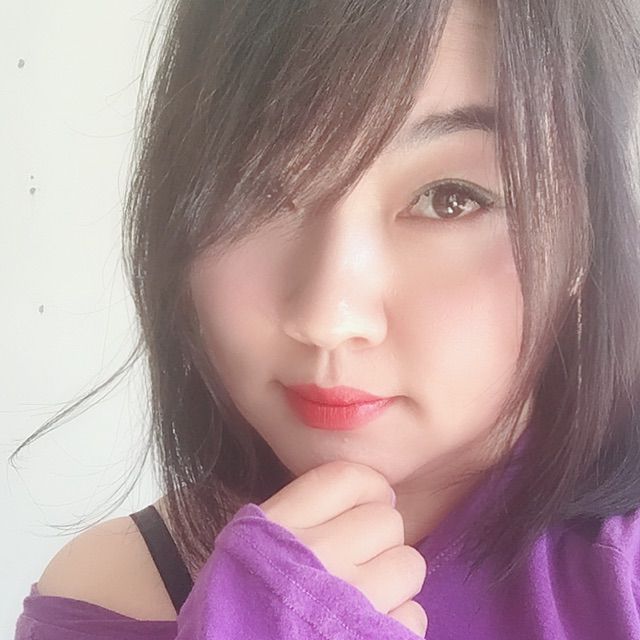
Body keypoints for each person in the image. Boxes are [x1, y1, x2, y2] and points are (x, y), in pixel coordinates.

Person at [12, 0, 640, 637]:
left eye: (450, 199)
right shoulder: (117, 589)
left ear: (587, 233)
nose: (328, 318)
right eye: (257, 189)